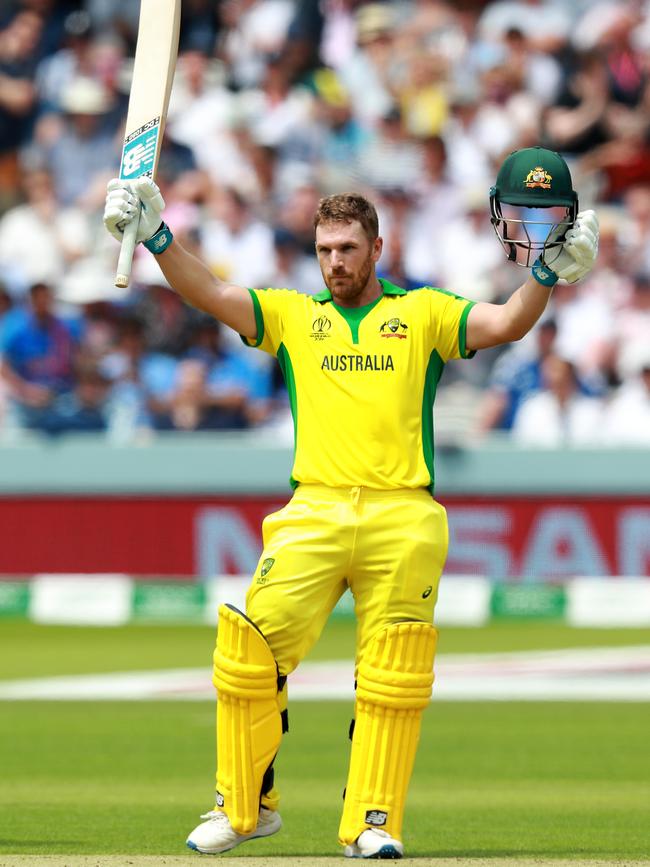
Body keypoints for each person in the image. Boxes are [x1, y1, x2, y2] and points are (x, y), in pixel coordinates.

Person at [103, 146, 599, 859]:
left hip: (403, 512)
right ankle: (244, 807)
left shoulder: (420, 313)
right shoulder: (294, 317)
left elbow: (504, 324)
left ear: (376, 247)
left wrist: (547, 275)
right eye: (324, 249)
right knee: (246, 654)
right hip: (314, 508)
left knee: (393, 674)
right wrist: (157, 237)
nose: (335, 262)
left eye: (348, 248)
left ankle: (373, 823)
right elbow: (210, 293)